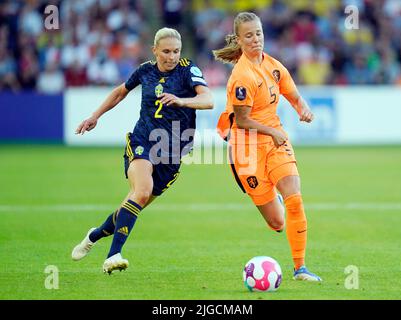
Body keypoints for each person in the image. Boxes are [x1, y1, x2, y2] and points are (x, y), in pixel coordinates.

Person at [71, 27, 213, 274]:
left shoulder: (188, 70)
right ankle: (113, 255)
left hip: (172, 153)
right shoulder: (145, 70)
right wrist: (95, 116)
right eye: (166, 51)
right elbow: (119, 92)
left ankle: (94, 235)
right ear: (154, 50)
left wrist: (182, 101)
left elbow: (208, 100)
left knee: (133, 204)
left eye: (176, 51)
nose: (171, 57)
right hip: (144, 140)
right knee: (142, 190)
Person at [213, 12, 322, 281]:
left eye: (258, 33)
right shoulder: (242, 76)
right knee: (277, 222)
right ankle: (275, 195)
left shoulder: (273, 66)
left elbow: (294, 96)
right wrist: (271, 130)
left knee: (295, 199)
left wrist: (303, 109)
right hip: (245, 148)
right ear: (239, 40)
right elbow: (241, 119)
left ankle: (300, 268)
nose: (255, 39)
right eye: (248, 35)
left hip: (275, 142)